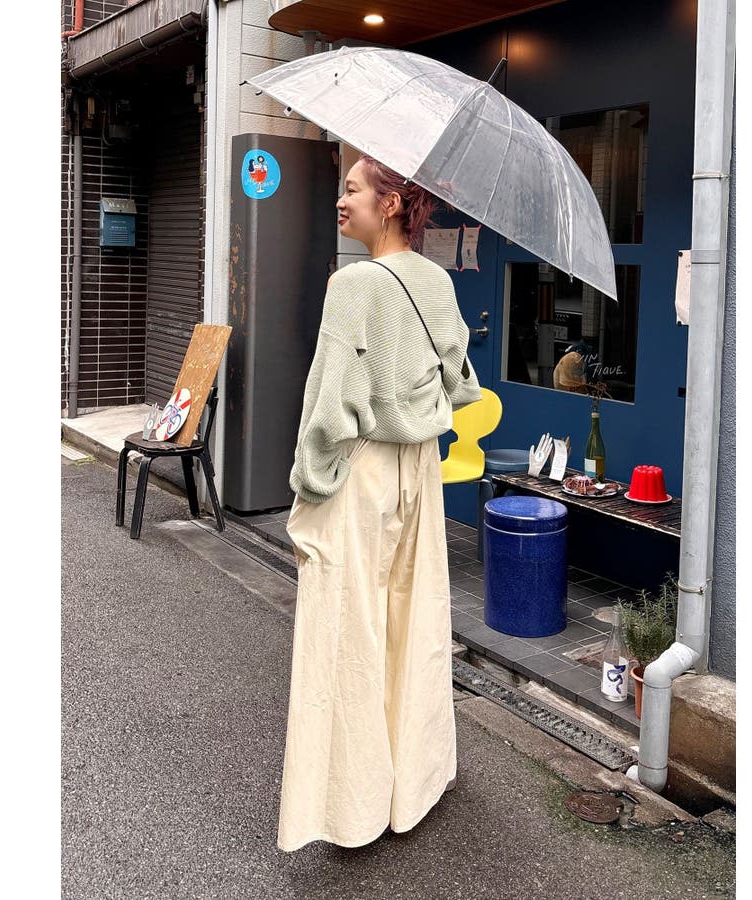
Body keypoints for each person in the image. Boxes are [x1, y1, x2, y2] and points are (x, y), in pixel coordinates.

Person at [277, 154, 482, 852]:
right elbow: (462, 383)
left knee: (347, 631)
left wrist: (309, 483)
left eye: (353, 189)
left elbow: (328, 401)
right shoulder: (437, 281)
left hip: (361, 468)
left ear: (390, 203)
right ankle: (413, 786)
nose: (341, 201)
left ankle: (349, 806)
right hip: (419, 467)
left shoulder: (353, 284)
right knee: (414, 623)